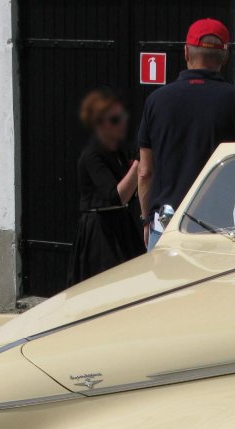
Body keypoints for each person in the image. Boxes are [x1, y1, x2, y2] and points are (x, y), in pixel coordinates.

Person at [137, 18, 235, 250]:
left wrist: (146, 219)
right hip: (216, 229)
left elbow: (145, 172)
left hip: (166, 226)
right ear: (225, 56)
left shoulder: (157, 101)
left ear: (186, 52)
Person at [67, 88, 144, 287]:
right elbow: (115, 196)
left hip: (121, 225)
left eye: (122, 117)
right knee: (103, 285)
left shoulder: (118, 152)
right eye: (115, 119)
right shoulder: (92, 155)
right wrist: (138, 165)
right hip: (101, 231)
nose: (122, 123)